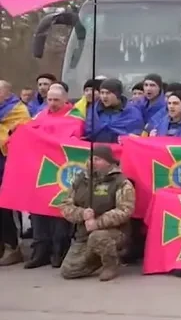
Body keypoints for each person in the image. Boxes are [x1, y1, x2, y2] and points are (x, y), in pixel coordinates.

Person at [58, 144, 136, 281]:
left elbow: (125, 210)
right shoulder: (80, 180)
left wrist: (98, 223)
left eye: (98, 159)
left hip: (114, 232)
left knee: (98, 237)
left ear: (109, 162)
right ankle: (98, 257)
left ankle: (111, 264)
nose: (93, 162)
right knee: (68, 271)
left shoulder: (121, 182)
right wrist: (81, 214)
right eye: (91, 159)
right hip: (84, 234)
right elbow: (65, 205)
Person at [25, 83, 76, 268]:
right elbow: (29, 131)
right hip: (39, 168)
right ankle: (40, 250)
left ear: (65, 100)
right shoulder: (41, 114)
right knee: (38, 210)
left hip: (61, 171)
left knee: (59, 212)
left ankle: (59, 251)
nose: (52, 103)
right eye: (50, 99)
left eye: (56, 100)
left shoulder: (75, 117)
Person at [0, 79, 33, 265]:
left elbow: (21, 133)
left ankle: (13, 247)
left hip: (9, 162)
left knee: (5, 208)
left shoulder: (18, 110)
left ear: (6, 94)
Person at [84, 78, 145, 144]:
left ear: (117, 94)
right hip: (98, 151)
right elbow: (88, 134)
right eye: (102, 93)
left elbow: (136, 137)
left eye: (108, 93)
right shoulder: (94, 111)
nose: (104, 96)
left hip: (121, 151)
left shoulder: (132, 112)